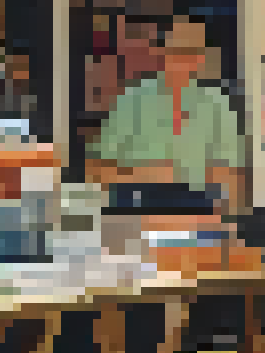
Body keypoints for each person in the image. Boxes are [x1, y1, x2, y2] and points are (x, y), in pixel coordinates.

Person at [88, 17, 248, 211]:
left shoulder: (218, 105)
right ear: (163, 52)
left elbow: (234, 177)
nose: (184, 60)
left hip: (198, 210)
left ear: (202, 58)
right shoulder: (132, 101)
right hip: (136, 207)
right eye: (177, 50)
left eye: (193, 52)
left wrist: (229, 219)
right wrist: (141, 174)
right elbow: (95, 170)